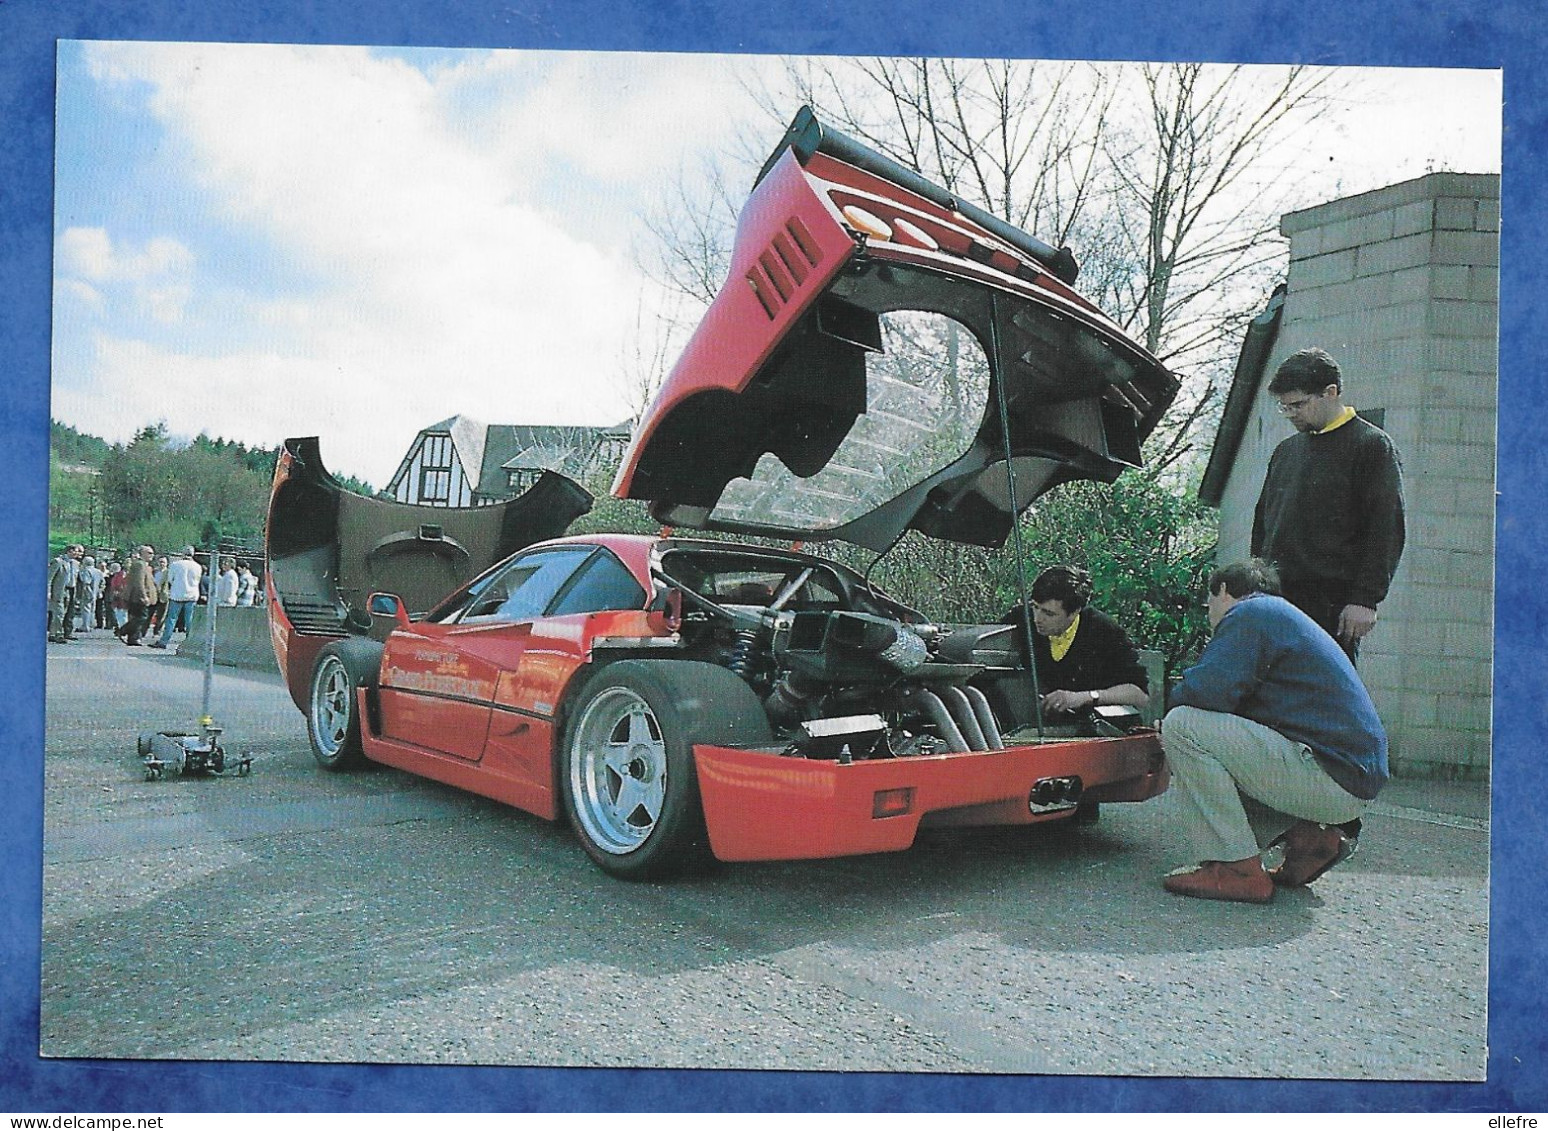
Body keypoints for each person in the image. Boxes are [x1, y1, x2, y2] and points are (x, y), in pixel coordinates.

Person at [1159, 559, 1388, 905]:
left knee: (1182, 726)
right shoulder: (1281, 619)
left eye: (1209, 602)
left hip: (1327, 775)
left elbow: (1204, 693)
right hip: (1346, 782)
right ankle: (1309, 839)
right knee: (1216, 742)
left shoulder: (1250, 614)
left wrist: (1162, 716)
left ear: (1222, 591)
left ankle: (1238, 870)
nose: (1209, 613)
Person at [1252, 348, 1405, 661]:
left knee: (1320, 700)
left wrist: (1365, 600)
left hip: (1331, 606)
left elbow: (1386, 527)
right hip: (1275, 598)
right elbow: (1262, 524)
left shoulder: (1371, 446)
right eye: (1284, 407)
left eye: (1298, 405)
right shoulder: (1285, 451)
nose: (1291, 413)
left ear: (1330, 392)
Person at [1004, 565, 1149, 718]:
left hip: (1093, 730)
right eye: (1035, 607)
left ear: (1074, 612)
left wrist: (1084, 697)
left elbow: (1140, 695)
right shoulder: (1019, 620)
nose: (1037, 619)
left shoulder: (1104, 632)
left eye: (1049, 613)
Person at [151, 546, 203, 649]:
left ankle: (164, 641)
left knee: (171, 619)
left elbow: (170, 580)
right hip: (192, 595)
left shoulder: (175, 565)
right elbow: (198, 580)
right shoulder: (197, 566)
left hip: (177, 594)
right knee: (189, 619)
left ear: (182, 554)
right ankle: (190, 641)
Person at [121, 545, 158, 646]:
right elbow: (139, 582)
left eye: (152, 553)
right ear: (142, 553)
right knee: (141, 617)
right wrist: (143, 596)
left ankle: (133, 638)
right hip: (138, 597)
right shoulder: (140, 564)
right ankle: (123, 630)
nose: (152, 555)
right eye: (149, 553)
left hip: (143, 597)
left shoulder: (146, 565)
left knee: (138, 617)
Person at [47, 544, 83, 643]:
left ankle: (56, 633)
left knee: (67, 612)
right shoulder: (58, 562)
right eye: (75, 551)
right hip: (59, 590)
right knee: (59, 612)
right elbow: (49, 578)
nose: (77, 553)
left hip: (71, 590)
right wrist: (49, 592)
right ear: (68, 551)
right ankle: (57, 634)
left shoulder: (76, 563)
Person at [76, 555, 102, 635]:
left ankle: (85, 626)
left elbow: (86, 581)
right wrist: (99, 591)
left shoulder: (86, 571)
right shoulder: (98, 571)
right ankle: (90, 625)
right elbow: (102, 582)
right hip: (95, 592)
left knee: (85, 609)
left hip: (87, 592)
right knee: (92, 610)